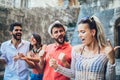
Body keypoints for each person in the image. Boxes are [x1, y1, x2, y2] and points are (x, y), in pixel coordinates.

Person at [49, 16, 117, 80]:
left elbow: (110, 78)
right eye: (78, 32)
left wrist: (112, 61)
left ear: (93, 32)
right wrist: (57, 67)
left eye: (83, 32)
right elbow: (73, 74)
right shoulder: (76, 50)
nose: (79, 35)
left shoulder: (106, 52)